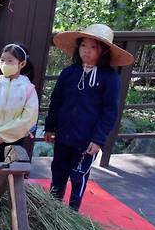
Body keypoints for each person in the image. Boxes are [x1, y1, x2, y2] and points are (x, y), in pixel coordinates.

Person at [45, 24, 134, 211]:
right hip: (64, 133)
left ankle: (73, 211)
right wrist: (50, 126)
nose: (87, 50)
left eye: (93, 47)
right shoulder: (69, 73)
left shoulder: (110, 78)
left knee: (79, 174)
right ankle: (52, 209)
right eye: (84, 45)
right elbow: (56, 100)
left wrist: (98, 139)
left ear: (103, 51)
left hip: (87, 139)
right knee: (58, 171)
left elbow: (110, 111)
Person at [0, 43, 39, 162]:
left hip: (15, 138)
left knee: (9, 171)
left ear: (22, 64)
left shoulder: (28, 89)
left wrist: (3, 134)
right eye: (2, 60)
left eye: (10, 61)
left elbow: (28, 118)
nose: (5, 64)